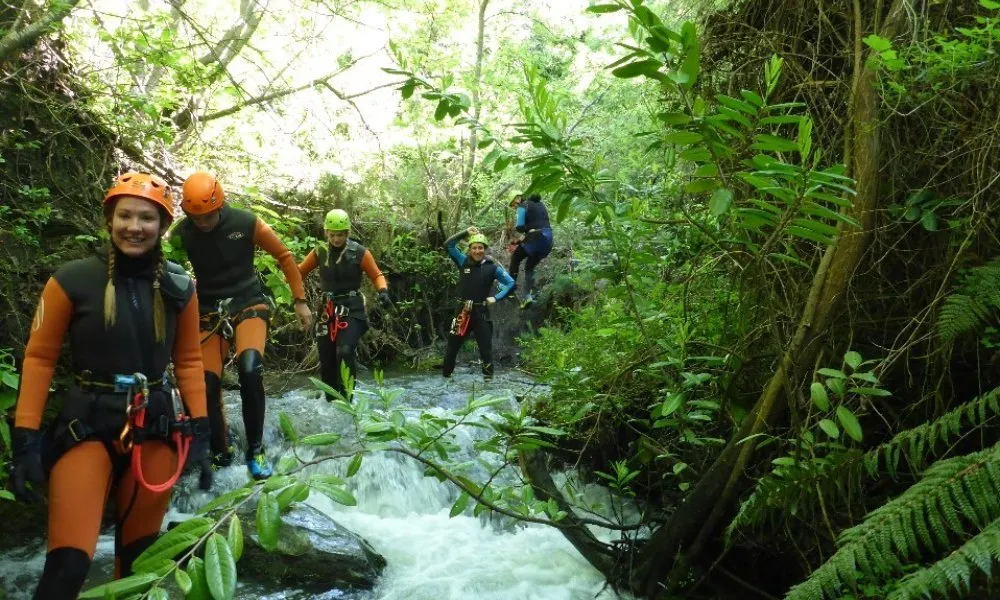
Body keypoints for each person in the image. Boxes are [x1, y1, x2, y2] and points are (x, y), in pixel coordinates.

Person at [10, 172, 213, 599]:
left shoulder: (180, 287)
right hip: (86, 425)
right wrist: (25, 438)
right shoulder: (71, 280)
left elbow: (190, 361)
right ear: (109, 220)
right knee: (68, 566)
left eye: (146, 218)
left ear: (162, 226)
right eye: (125, 215)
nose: (134, 227)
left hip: (154, 428)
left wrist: (201, 429)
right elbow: (40, 358)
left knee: (141, 563)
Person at [169, 171, 312, 480]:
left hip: (249, 302)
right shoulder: (181, 235)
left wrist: (300, 301)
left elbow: (284, 257)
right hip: (208, 310)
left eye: (207, 216)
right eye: (196, 217)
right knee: (206, 383)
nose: (202, 223)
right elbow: (171, 271)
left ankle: (256, 449)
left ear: (219, 205)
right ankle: (221, 452)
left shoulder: (246, 223)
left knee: (250, 370)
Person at [298, 208, 392, 402]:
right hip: (327, 309)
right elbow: (298, 273)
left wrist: (382, 291)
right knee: (327, 357)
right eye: (332, 235)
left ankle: (348, 398)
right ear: (326, 233)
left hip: (352, 308)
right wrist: (295, 293)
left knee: (345, 350)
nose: (336, 239)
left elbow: (376, 274)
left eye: (340, 235)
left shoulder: (359, 252)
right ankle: (331, 401)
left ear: (347, 233)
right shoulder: (319, 252)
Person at [442, 226, 515, 381]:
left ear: (485, 249)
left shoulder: (492, 268)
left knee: (486, 350)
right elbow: (448, 245)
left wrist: (496, 298)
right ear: (469, 249)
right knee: (452, 348)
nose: (477, 251)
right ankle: (446, 380)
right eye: (474, 248)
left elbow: (510, 283)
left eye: (480, 248)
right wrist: (465, 232)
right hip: (462, 312)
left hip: (481, 313)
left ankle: (488, 382)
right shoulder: (463, 261)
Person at [508, 193, 554, 308]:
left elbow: (520, 227)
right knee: (529, 266)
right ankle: (527, 296)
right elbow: (533, 229)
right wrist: (518, 242)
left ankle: (510, 288)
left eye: (513, 204)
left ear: (517, 198)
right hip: (548, 239)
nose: (514, 207)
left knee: (516, 257)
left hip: (536, 237)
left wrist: (522, 227)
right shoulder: (540, 205)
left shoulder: (522, 206)